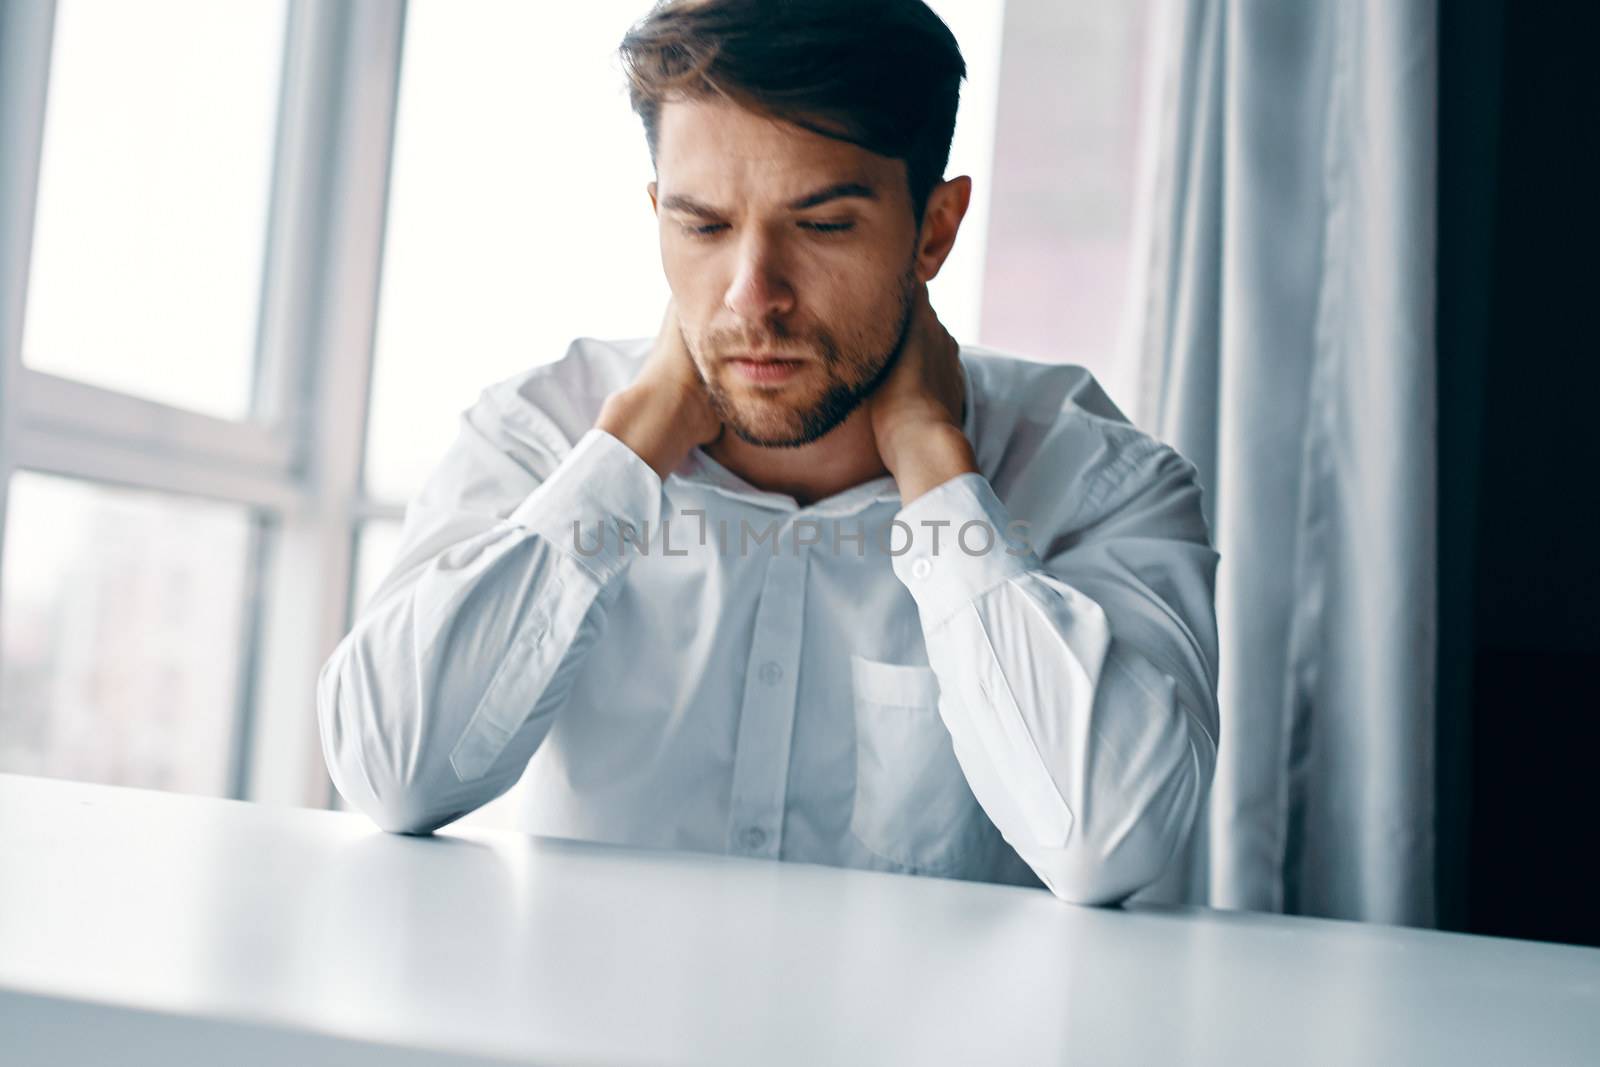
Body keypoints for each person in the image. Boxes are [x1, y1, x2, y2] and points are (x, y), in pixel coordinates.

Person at [317, 0, 1220, 905]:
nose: (752, 297)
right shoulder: (536, 438)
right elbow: (392, 769)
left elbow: (1113, 840)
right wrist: (629, 449)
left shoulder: (1096, 480)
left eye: (823, 225)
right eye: (703, 226)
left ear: (935, 230)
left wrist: (938, 472)